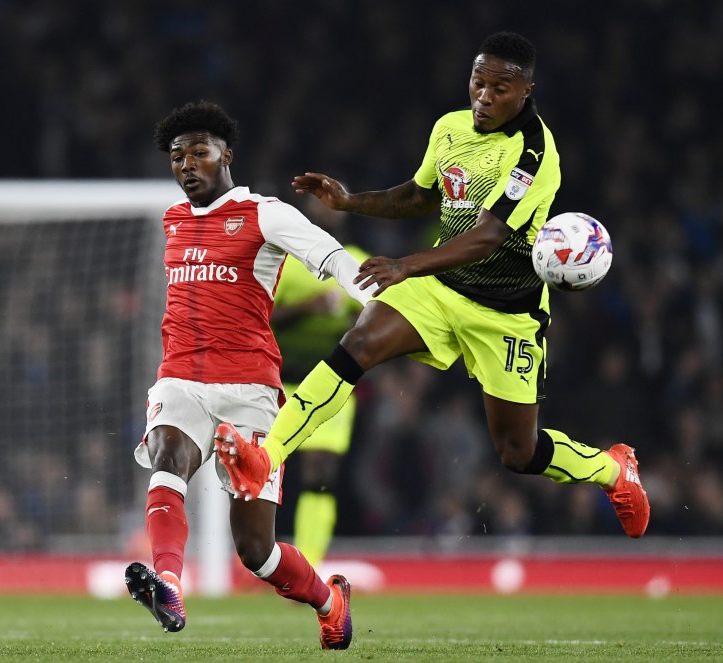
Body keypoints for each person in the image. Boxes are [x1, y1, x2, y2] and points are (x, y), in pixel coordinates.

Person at [215, 32, 650, 540]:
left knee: (518, 452)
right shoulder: (449, 128)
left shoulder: (535, 153)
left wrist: (405, 265)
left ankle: (614, 471)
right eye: (478, 82)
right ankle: (265, 459)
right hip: (440, 289)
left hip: (505, 313)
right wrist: (350, 201)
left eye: (499, 89)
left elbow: (487, 237)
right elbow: (421, 195)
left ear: (526, 91)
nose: (484, 96)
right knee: (359, 344)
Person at [124, 100, 360, 650]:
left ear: (226, 154)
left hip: (250, 390)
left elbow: (331, 259)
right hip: (180, 375)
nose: (186, 164)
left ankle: (330, 602)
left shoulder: (266, 213)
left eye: (199, 152)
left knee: (256, 549)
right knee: (166, 457)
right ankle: (169, 583)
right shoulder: (172, 219)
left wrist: (390, 301)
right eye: (177, 156)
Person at [271, 224, 369, 568]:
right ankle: (256, 555)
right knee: (264, 468)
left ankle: (309, 562)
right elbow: (261, 317)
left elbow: (381, 316)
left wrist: (358, 313)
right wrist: (307, 307)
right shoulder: (285, 263)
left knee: (322, 471)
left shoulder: (357, 263)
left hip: (332, 386)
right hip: (281, 383)